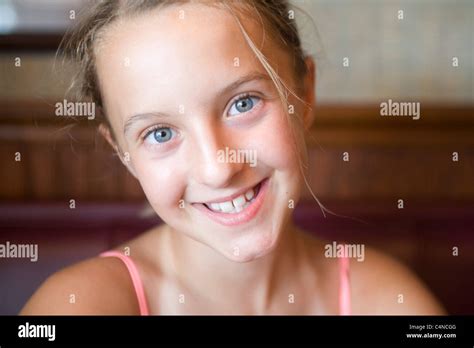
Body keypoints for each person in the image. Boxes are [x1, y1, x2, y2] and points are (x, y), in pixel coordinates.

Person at [21, 0, 445, 315]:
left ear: (306, 93)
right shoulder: (76, 307)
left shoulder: (389, 301)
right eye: (161, 133)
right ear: (124, 155)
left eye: (243, 103)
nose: (218, 168)